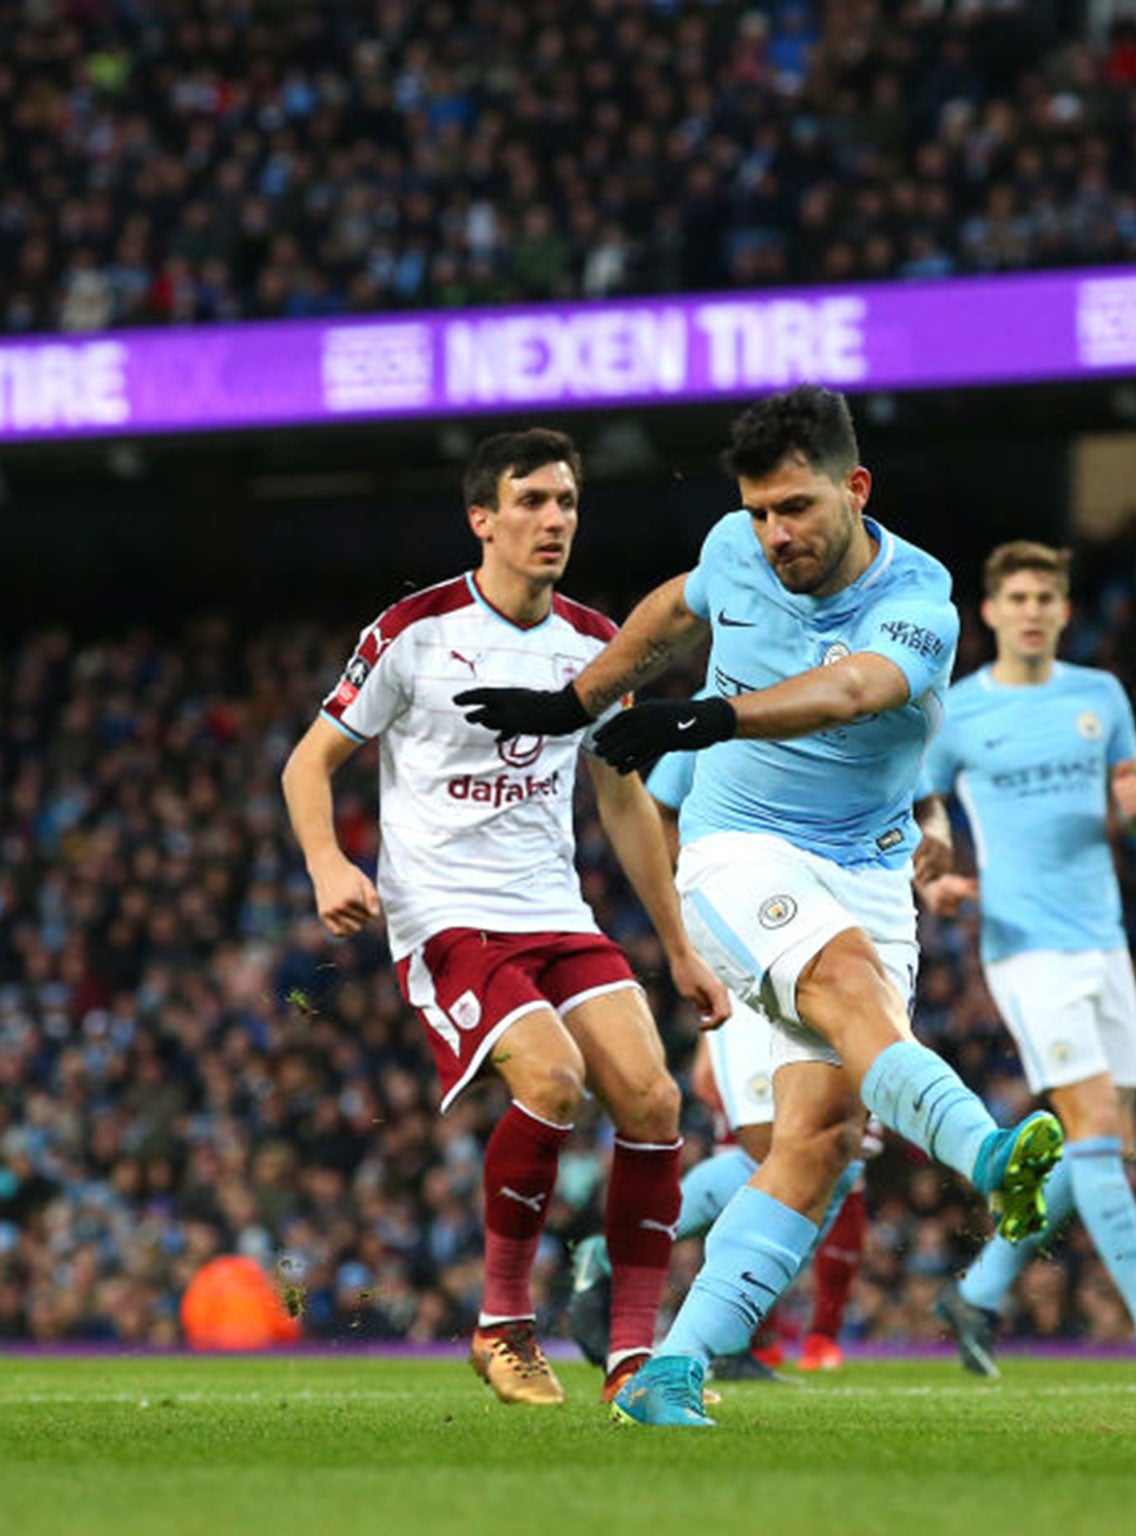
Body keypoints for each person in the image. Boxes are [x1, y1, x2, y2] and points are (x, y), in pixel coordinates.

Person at [454, 385, 1063, 1429]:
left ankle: (667, 1372)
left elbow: (850, 692)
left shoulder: (919, 598)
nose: (773, 533)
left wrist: (704, 717)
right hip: (737, 852)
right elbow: (676, 610)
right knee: (845, 988)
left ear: (853, 489)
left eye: (795, 509)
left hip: (867, 872)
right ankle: (988, 1156)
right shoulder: (736, 546)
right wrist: (576, 700)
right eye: (759, 511)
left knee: (818, 1143)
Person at [280, 428, 730, 1408]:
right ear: (482, 517)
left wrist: (680, 950)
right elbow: (308, 762)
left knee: (653, 1102)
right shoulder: (415, 629)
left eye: (565, 502)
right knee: (556, 1079)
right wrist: (326, 863)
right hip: (444, 917)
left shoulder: (592, 644)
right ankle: (501, 1324)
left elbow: (621, 800)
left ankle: (629, 1360)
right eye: (531, 501)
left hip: (553, 912)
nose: (553, 519)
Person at [914, 541, 1136, 1378]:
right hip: (1026, 950)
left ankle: (978, 1293)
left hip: (1105, 941)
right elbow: (924, 802)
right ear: (989, 612)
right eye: (1016, 596)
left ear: (1063, 610)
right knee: (1094, 1131)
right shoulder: (961, 710)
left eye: (1044, 597)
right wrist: (938, 868)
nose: (1030, 610)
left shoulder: (1102, 697)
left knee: (1101, 1146)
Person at [564, 738, 875, 1381]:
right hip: (746, 950)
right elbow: (649, 814)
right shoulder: (722, 716)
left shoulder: (848, 706)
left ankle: (637, 1268)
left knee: (834, 1153)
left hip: (831, 948)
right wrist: (706, 905)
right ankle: (718, 1331)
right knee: (782, 1151)